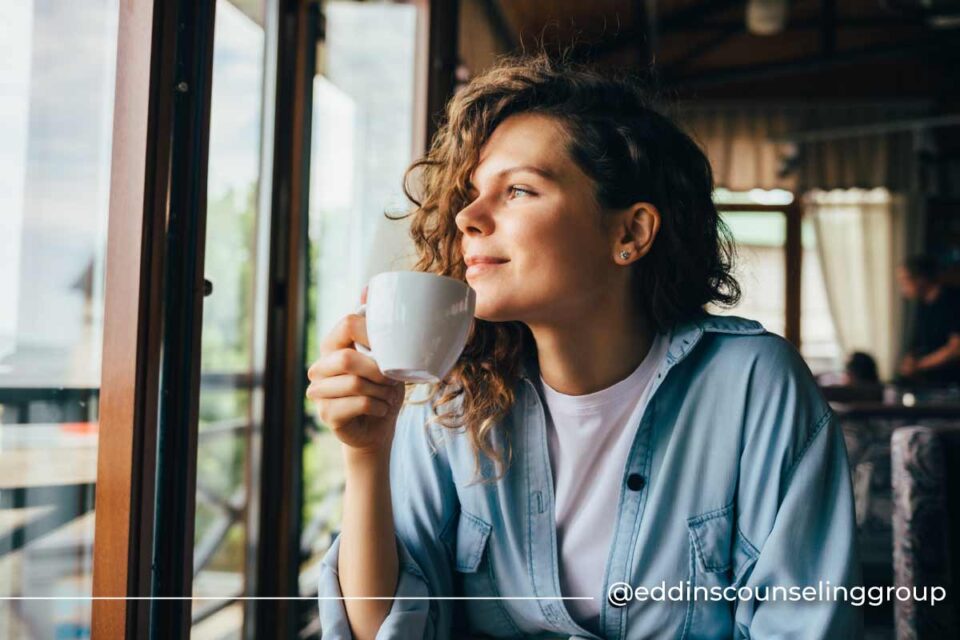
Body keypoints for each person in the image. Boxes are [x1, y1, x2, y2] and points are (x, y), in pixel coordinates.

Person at [308, 54, 861, 640]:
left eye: (518, 190)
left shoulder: (754, 384)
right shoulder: (453, 395)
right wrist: (366, 455)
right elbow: (382, 632)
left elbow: (803, 624)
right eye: (471, 194)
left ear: (630, 232)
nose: (468, 217)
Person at [896, 255, 960, 385]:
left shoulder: (953, 301)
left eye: (904, 281)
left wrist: (919, 365)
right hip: (931, 383)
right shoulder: (922, 306)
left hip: (952, 385)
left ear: (920, 279)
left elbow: (956, 348)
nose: (902, 288)